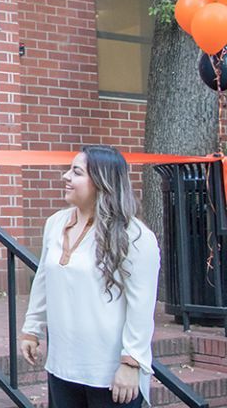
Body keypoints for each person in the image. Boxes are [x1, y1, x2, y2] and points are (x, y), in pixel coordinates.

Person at [20, 145, 160, 408]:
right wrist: (31, 328)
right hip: (63, 365)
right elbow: (43, 279)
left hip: (110, 372)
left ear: (101, 181)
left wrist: (131, 362)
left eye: (76, 172)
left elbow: (141, 305)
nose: (65, 177)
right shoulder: (55, 223)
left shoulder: (135, 236)